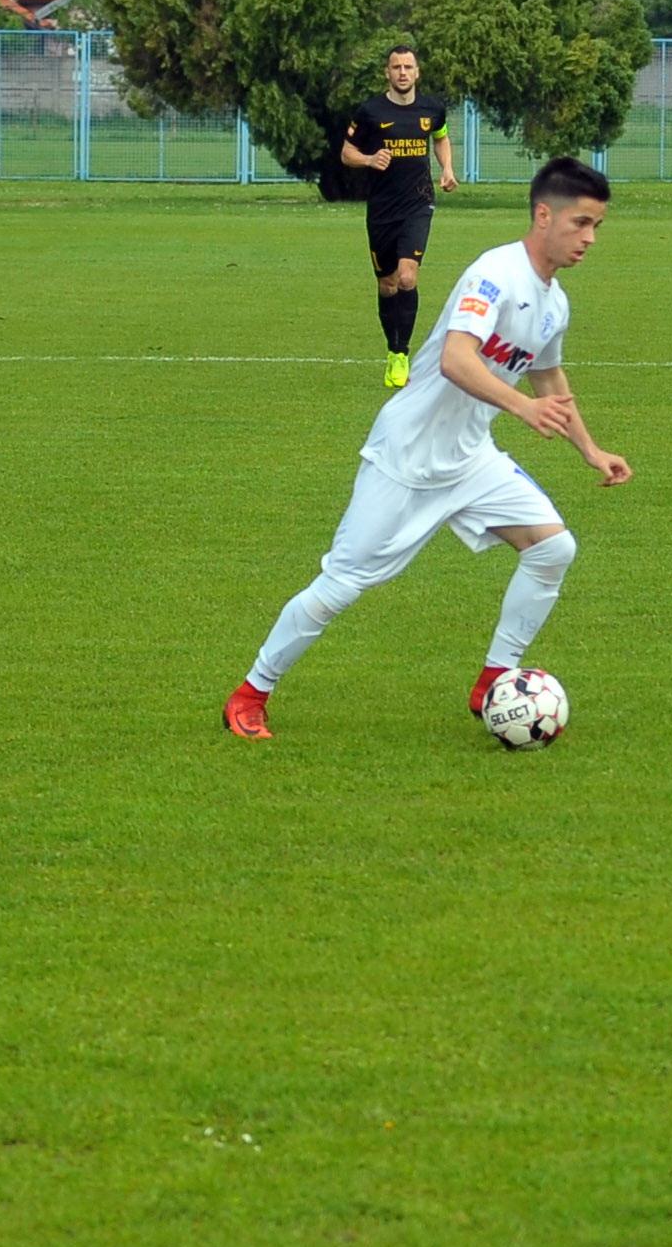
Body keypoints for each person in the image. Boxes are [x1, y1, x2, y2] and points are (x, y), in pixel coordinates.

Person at [224, 159, 632, 741]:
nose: (590, 238)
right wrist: (522, 410)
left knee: (554, 549)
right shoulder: (494, 275)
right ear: (545, 216)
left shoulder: (553, 302)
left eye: (598, 226)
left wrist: (591, 450)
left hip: (470, 459)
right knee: (341, 585)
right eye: (582, 223)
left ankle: (494, 678)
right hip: (406, 457)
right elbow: (455, 360)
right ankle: (250, 694)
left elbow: (548, 379)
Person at [339, 46, 461, 387]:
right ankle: (392, 349)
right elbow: (347, 153)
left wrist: (447, 168)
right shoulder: (371, 111)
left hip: (418, 204)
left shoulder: (432, 108)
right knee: (387, 284)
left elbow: (440, 136)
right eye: (397, 67)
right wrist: (368, 160)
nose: (403, 72)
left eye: (408, 67)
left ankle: (402, 354)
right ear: (387, 73)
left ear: (417, 72)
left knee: (407, 277)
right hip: (381, 209)